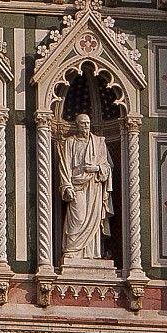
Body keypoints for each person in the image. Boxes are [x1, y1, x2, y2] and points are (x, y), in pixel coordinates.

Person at [57, 112, 114, 266]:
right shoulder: (70, 142)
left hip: (94, 186)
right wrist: (66, 186)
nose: (86, 126)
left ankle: (93, 254)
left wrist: (95, 168)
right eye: (83, 123)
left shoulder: (99, 142)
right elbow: (65, 166)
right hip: (77, 186)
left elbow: (108, 167)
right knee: (78, 217)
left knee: (94, 222)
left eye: (88, 123)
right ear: (77, 125)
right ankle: (72, 250)